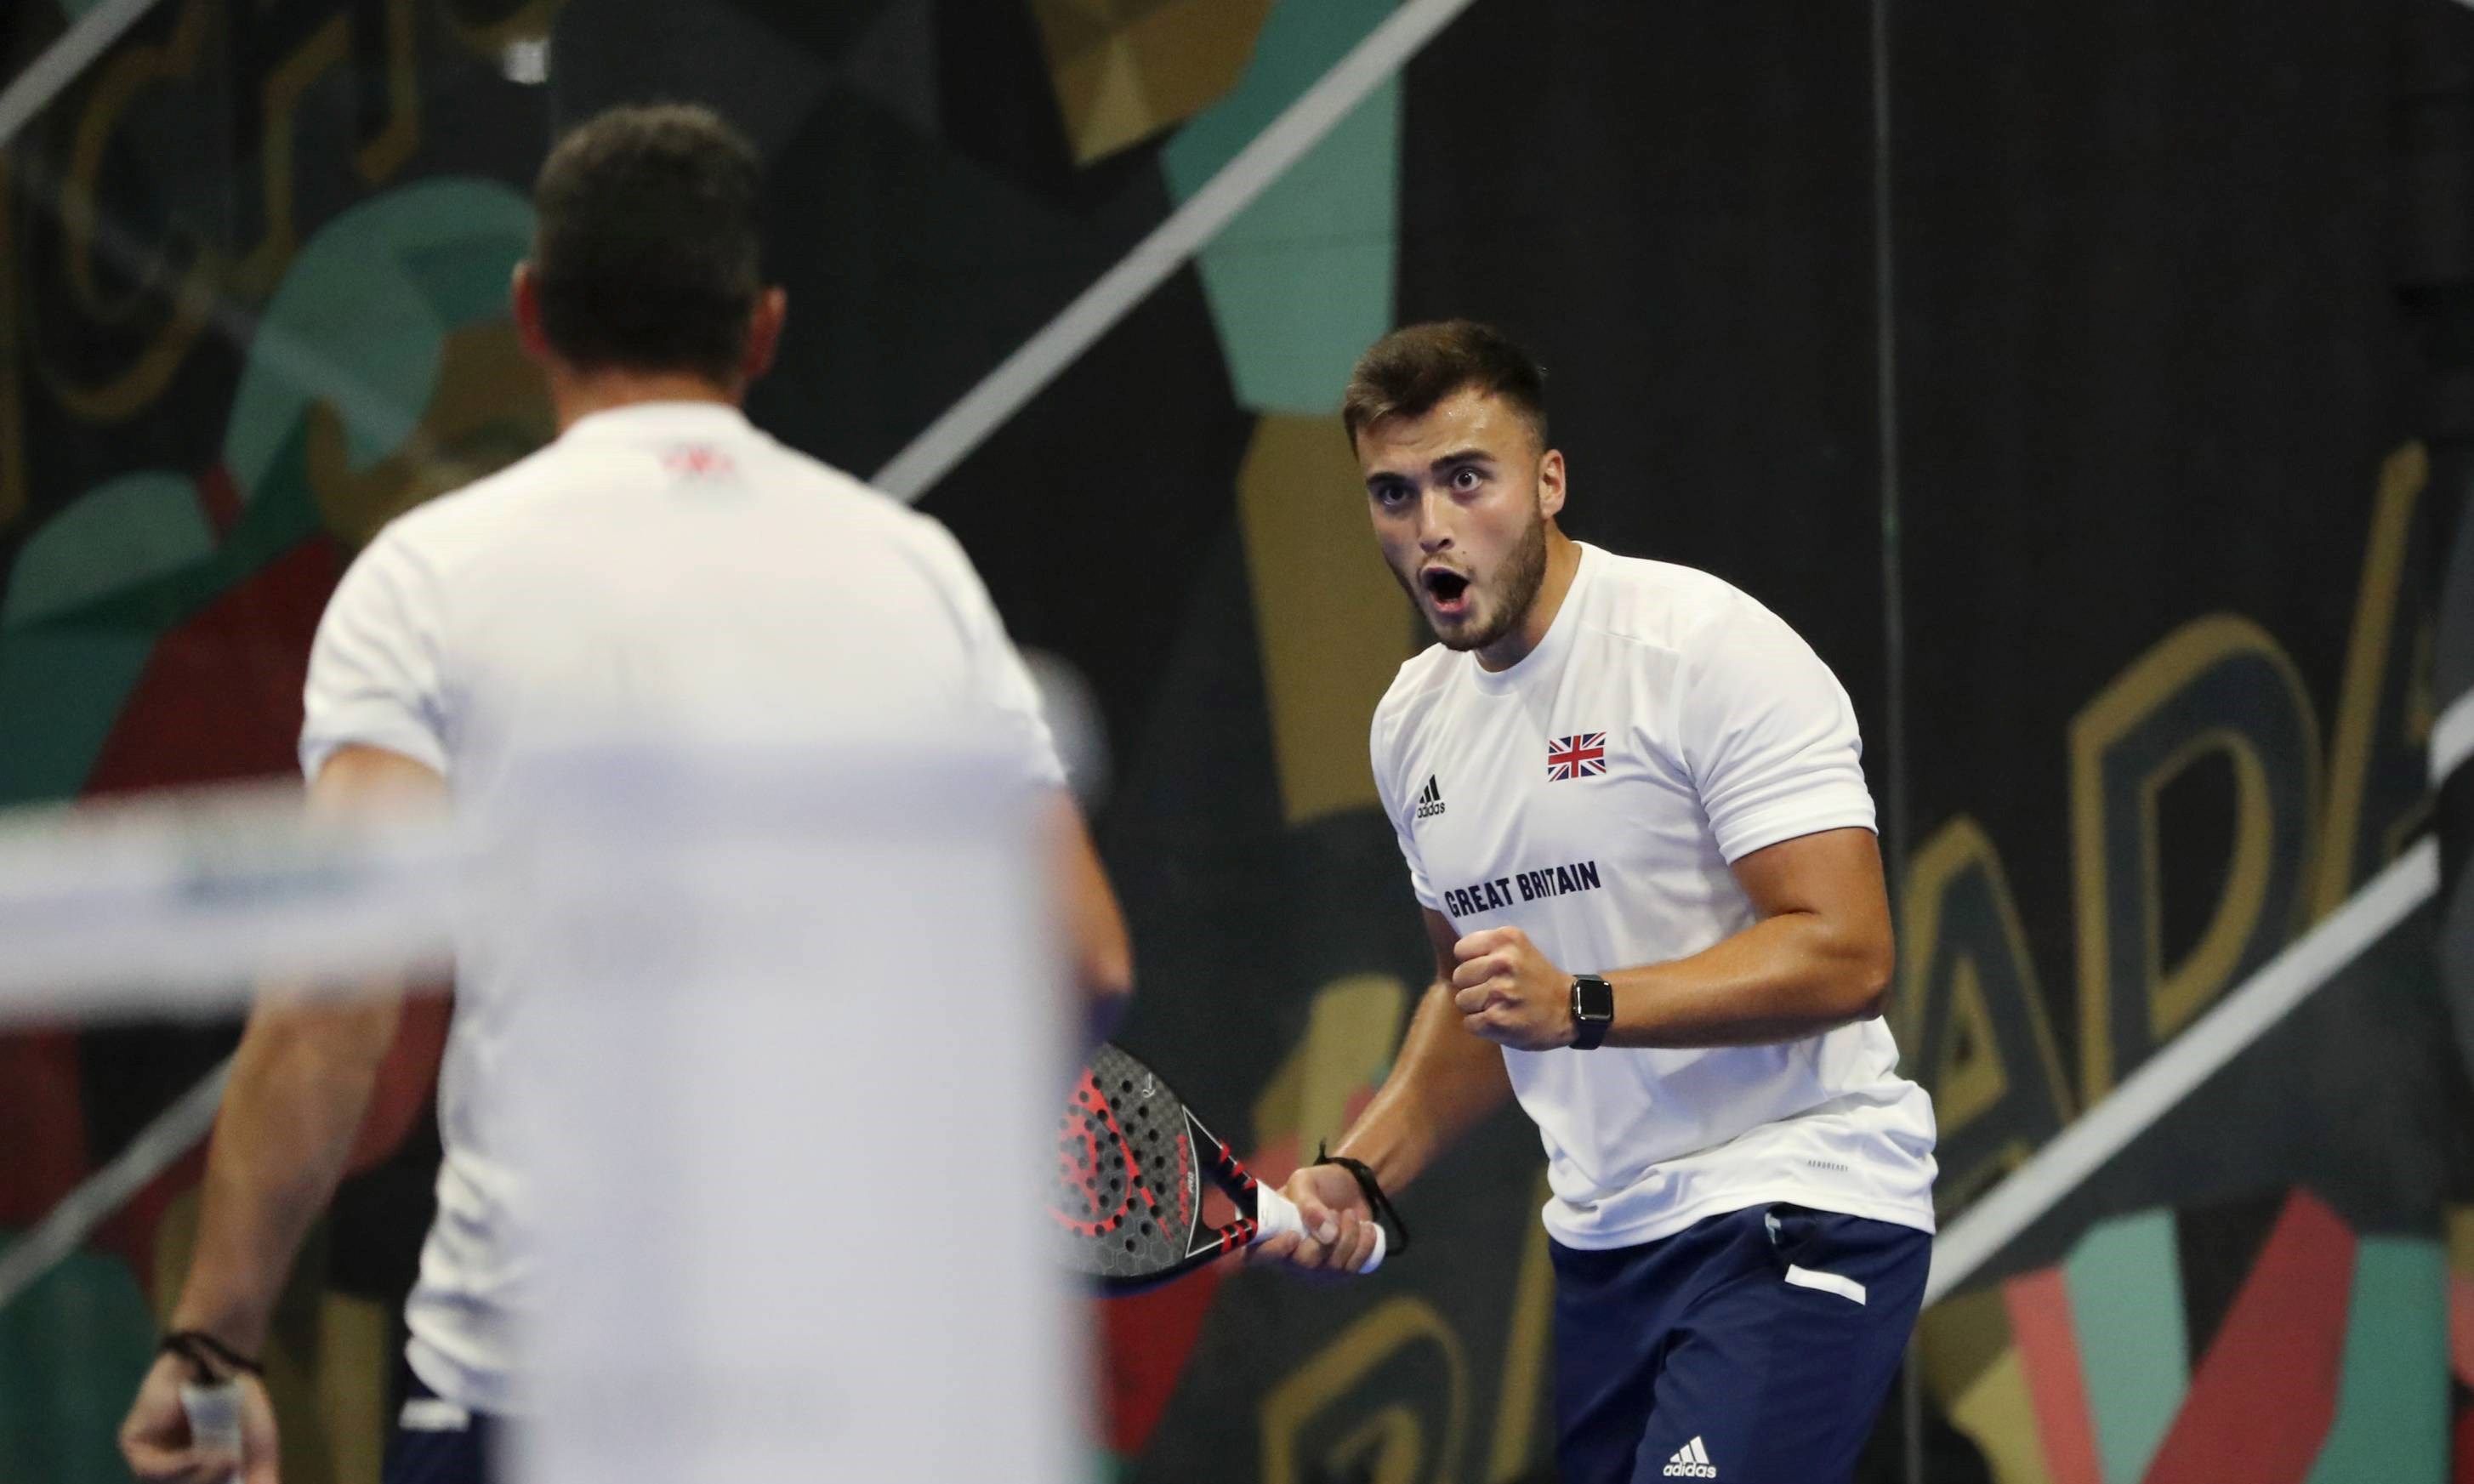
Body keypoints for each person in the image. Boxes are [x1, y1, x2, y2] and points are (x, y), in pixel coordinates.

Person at [117, 103, 1133, 1484]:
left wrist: (217, 1349)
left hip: (539, 1404)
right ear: (761, 329)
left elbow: (332, 996)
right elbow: (1081, 955)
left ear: (531, 315)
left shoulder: (427, 581)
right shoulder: (912, 573)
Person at [1253, 321, 1936, 1484]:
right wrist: (1362, 1170)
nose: (1430, 527)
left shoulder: (1701, 649)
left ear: (1548, 480)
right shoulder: (1409, 723)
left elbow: (1846, 952)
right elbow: (1479, 1000)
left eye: (1466, 478)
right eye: (1392, 492)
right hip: (1608, 1246)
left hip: (1796, 1196)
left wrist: (1587, 1003)